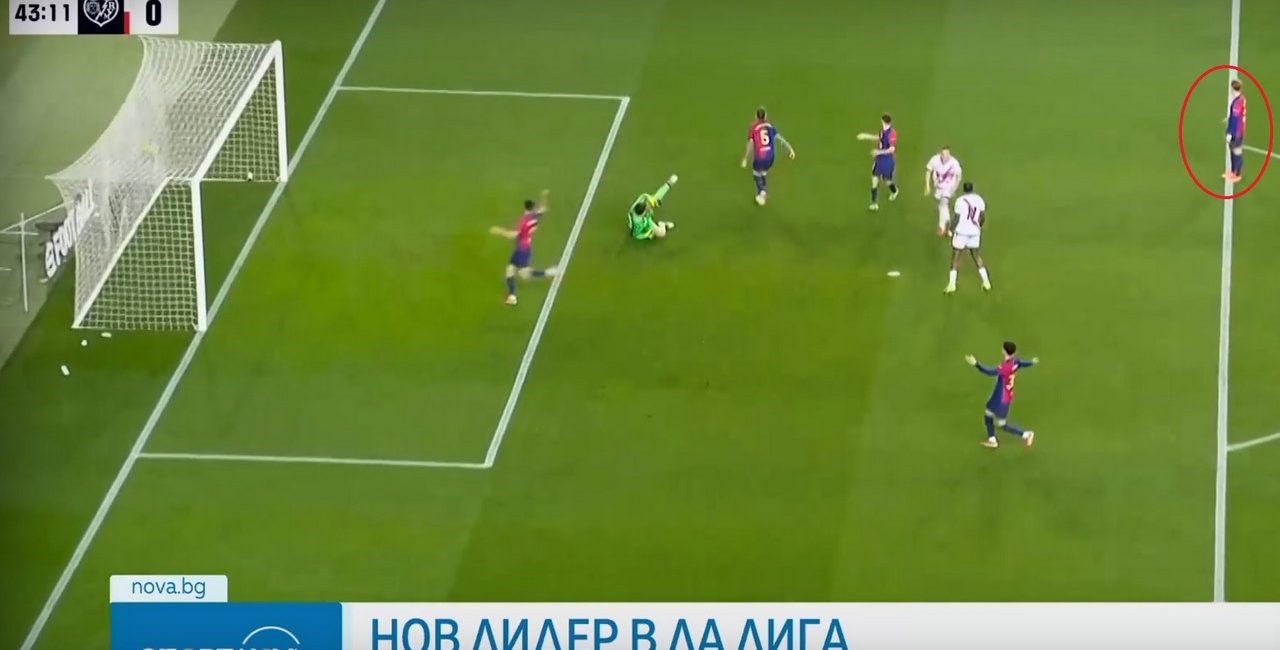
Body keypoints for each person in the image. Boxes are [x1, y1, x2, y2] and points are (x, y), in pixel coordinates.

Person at [489, 190, 557, 305]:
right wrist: (543, 196)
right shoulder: (535, 216)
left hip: (522, 249)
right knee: (510, 270)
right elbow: (544, 208)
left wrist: (499, 231)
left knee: (524, 274)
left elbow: (513, 235)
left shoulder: (523, 221)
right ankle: (512, 296)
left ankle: (549, 272)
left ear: (525, 208)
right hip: (522, 248)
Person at [965, 342, 1038, 449]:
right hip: (1000, 395)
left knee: (1001, 424)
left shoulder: (1005, 367)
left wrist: (976, 364)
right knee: (988, 414)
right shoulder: (1015, 361)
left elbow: (990, 372)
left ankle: (1026, 434)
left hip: (1002, 398)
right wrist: (1031, 362)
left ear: (1004, 350)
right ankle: (992, 440)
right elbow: (1022, 364)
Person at [740, 107, 796, 206]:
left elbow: (750, 145)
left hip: (760, 157)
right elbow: (780, 138)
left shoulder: (753, 128)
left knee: (756, 174)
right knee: (763, 172)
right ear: (765, 116)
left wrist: (745, 158)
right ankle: (763, 190)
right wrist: (790, 149)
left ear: (756, 116)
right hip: (770, 156)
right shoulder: (770, 126)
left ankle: (762, 193)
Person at [944, 182, 991, 294]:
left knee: (955, 257)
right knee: (976, 256)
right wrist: (979, 226)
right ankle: (986, 282)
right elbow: (982, 216)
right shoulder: (979, 200)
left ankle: (952, 284)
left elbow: (957, 218)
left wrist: (950, 229)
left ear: (964, 189)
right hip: (974, 232)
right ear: (973, 189)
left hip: (961, 232)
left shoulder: (960, 201)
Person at [857, 113, 899, 211]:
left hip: (888, 161)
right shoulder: (882, 130)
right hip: (879, 160)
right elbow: (879, 137)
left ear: (883, 121)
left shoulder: (891, 133)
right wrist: (866, 136)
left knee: (887, 181)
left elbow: (892, 149)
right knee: (874, 180)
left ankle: (894, 191)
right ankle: (874, 203)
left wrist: (878, 152)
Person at [924, 146, 962, 236]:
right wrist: (927, 186)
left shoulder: (954, 163)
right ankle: (947, 223)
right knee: (940, 205)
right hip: (938, 187)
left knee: (943, 203)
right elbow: (928, 171)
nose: (945, 156)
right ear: (940, 154)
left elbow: (958, 177)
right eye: (943, 154)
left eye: (947, 154)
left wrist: (953, 189)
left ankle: (942, 226)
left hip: (948, 188)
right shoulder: (935, 160)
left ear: (949, 154)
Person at [628, 175, 679, 240]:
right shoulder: (643, 222)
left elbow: (644, 195)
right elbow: (637, 233)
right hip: (642, 232)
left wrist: (652, 200)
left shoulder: (635, 206)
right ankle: (662, 224)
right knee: (661, 233)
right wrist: (651, 233)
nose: (648, 206)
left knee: (655, 197)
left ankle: (669, 183)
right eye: (646, 208)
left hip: (641, 221)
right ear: (643, 213)